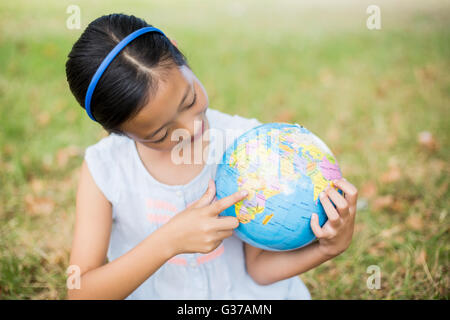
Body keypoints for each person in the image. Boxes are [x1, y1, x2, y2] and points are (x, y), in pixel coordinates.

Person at [65, 13, 358, 300]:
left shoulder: (249, 147)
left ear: (177, 49)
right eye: (160, 134)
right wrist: (168, 242)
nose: (191, 128)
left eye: (189, 100)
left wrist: (326, 248)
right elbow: (81, 292)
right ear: (119, 132)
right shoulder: (106, 169)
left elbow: (257, 269)